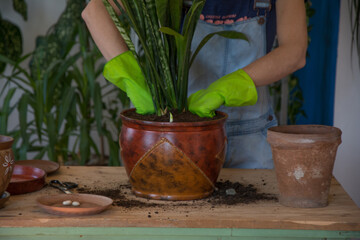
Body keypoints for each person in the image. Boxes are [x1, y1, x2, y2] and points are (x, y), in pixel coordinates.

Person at [82, 0, 307, 169]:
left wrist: (230, 86)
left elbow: (295, 51)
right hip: (170, 138)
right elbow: (96, 11)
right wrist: (134, 80)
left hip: (248, 142)